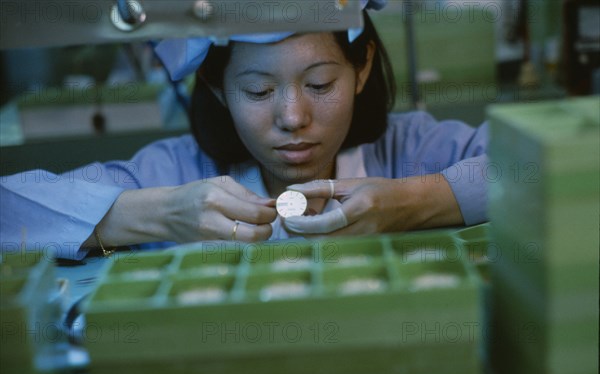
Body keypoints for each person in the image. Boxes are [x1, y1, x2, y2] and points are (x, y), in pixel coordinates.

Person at [0, 1, 488, 260]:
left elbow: (541, 168)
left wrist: (418, 200)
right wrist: (161, 214)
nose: (293, 117)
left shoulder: (414, 151)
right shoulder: (175, 172)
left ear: (362, 68)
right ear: (215, 86)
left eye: (319, 83)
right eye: (258, 91)